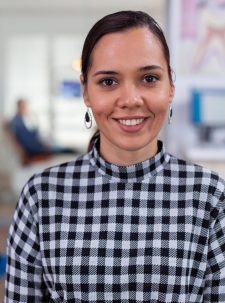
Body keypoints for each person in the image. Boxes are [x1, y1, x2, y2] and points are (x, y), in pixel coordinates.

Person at [5, 10, 225, 303]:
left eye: (149, 78)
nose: (131, 99)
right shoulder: (41, 196)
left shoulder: (210, 195)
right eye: (108, 82)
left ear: (170, 86)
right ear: (86, 91)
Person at [8, 99, 75, 157]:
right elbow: (29, 140)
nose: (27, 109)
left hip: (38, 147)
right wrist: (43, 146)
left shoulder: (17, 120)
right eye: (25, 107)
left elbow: (31, 135)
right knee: (69, 151)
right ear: (21, 107)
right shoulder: (17, 122)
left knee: (65, 148)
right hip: (37, 150)